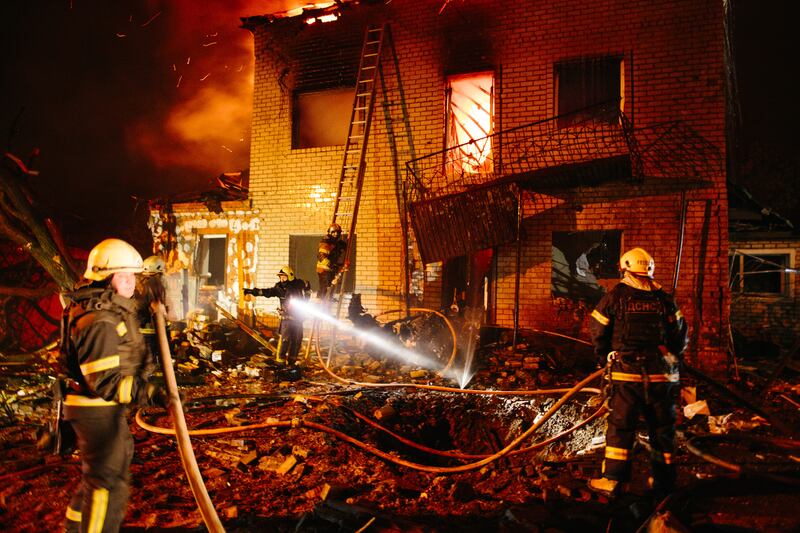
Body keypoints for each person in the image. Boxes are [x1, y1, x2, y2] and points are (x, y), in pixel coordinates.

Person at [61, 238, 166, 532]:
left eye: (132, 275)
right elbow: (104, 382)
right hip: (95, 410)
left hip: (101, 410)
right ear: (106, 279)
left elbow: (129, 329)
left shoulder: (109, 309)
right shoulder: (98, 320)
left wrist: (155, 294)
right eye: (123, 276)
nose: (130, 282)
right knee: (107, 485)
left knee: (97, 478)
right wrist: (149, 393)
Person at [587, 247, 688, 499]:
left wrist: (604, 357)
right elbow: (681, 335)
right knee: (662, 429)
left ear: (624, 268)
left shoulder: (614, 297)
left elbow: (597, 329)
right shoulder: (665, 299)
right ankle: (663, 483)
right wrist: (672, 359)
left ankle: (613, 481)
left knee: (621, 428)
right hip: (661, 377)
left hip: (627, 375)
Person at [243, 265, 311, 365]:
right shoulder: (279, 288)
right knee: (284, 340)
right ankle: (280, 363)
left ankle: (291, 362)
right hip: (287, 319)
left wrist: (307, 297)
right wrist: (252, 291)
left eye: (284, 277)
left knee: (297, 340)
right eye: (280, 277)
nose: (282, 279)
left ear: (290, 276)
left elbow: (307, 284)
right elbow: (267, 292)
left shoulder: (298, 283)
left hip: (298, 319)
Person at [136, 255, 167, 373]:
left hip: (143, 329)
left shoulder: (142, 286)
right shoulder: (154, 286)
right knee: (150, 363)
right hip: (149, 331)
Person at [316, 222, 348, 300]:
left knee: (330, 287)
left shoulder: (335, 242)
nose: (336, 234)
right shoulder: (326, 242)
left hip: (329, 269)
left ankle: (327, 300)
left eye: (337, 232)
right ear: (330, 232)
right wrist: (332, 265)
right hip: (324, 270)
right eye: (333, 232)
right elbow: (321, 257)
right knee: (325, 288)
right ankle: (321, 303)